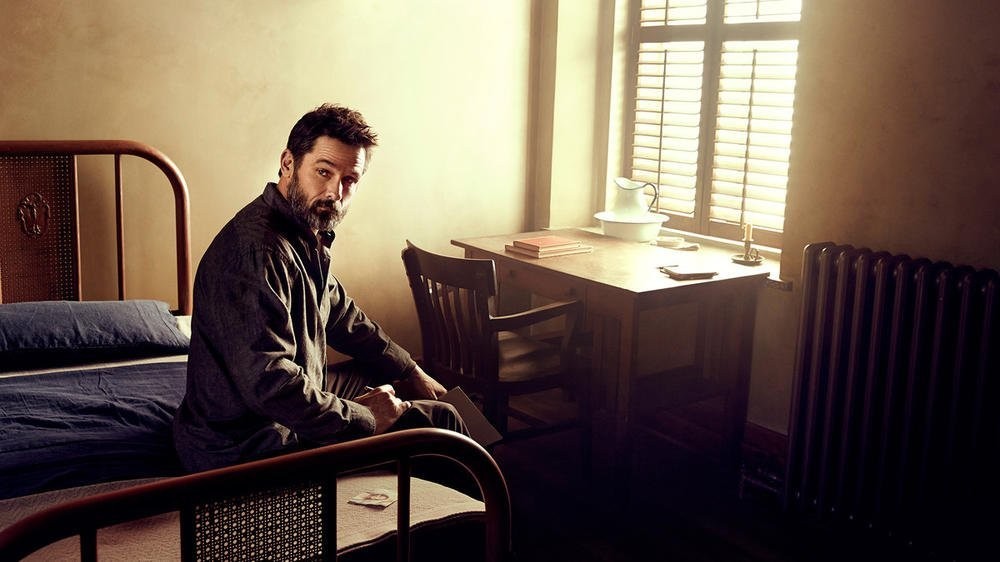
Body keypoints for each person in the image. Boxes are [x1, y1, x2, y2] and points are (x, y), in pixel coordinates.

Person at [172, 103, 468, 473]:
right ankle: (484, 505)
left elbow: (341, 314)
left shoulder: (300, 232)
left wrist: (409, 370)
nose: (334, 192)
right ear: (288, 164)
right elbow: (271, 384)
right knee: (440, 421)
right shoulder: (258, 253)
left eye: (349, 180)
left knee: (386, 374)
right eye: (324, 172)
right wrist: (366, 418)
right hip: (248, 445)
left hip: (273, 413)